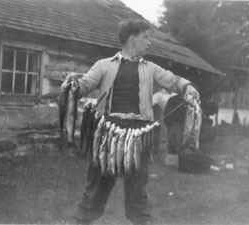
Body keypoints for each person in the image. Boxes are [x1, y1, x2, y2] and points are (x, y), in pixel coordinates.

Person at [67, 19, 200, 225]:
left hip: (139, 134)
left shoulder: (151, 68)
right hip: (108, 132)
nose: (149, 43)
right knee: (95, 187)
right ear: (131, 38)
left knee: (138, 191)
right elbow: (84, 85)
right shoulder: (103, 65)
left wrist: (187, 87)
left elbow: (172, 80)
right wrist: (74, 87)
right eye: (146, 37)